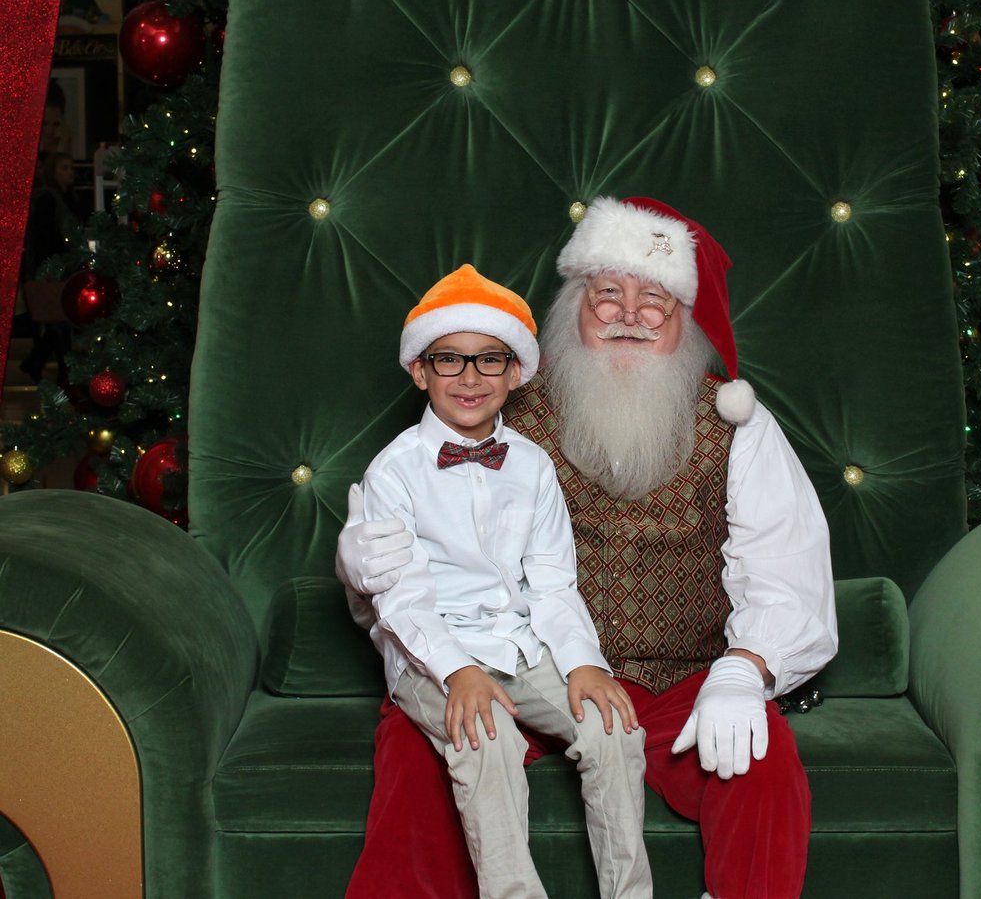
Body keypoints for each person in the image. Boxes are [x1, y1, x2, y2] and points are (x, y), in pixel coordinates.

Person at [339, 198, 839, 899]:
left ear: (685, 322)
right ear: (573, 309)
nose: (629, 314)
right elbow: (404, 572)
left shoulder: (739, 425)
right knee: (420, 755)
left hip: (678, 681)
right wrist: (362, 572)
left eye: (655, 301)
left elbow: (789, 571)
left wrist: (747, 670)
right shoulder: (490, 407)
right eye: (608, 295)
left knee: (762, 759)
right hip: (516, 659)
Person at [350, 264, 653, 899]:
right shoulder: (394, 471)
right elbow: (401, 598)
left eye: (490, 360)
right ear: (419, 370)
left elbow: (551, 582)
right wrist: (458, 672)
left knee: (614, 726)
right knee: (487, 739)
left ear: (516, 375)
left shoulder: (534, 465)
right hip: (433, 650)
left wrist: (583, 663)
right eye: (450, 360)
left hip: (519, 641)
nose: (469, 378)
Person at [20, 150, 78, 387]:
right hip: (51, 269)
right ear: (53, 172)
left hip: (59, 267)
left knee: (59, 322)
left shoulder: (64, 198)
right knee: (58, 322)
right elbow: (44, 239)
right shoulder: (48, 198)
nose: (70, 172)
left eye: (71, 168)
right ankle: (62, 372)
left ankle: (37, 362)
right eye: (64, 168)